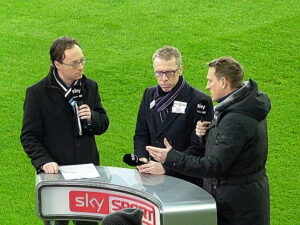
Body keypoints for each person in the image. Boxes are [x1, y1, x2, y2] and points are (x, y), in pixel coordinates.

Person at [146, 57, 271, 225]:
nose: (207, 86)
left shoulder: (236, 119)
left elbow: (214, 166)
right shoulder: (238, 107)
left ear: (223, 82)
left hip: (237, 207)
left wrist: (171, 158)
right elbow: (227, 149)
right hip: (236, 198)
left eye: (210, 80)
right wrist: (205, 135)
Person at [20, 36, 109, 225]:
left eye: (82, 60)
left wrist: (93, 117)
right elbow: (29, 136)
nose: (81, 67)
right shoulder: (37, 93)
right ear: (57, 64)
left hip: (87, 171)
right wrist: (44, 161)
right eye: (74, 63)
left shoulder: (89, 87)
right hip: (56, 174)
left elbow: (103, 123)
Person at [134, 46, 213, 186]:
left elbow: (199, 147)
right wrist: (142, 159)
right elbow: (141, 134)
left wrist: (167, 166)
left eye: (169, 73)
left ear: (180, 70)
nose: (164, 79)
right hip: (152, 177)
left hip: (185, 181)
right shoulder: (149, 94)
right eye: (158, 73)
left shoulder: (199, 101)